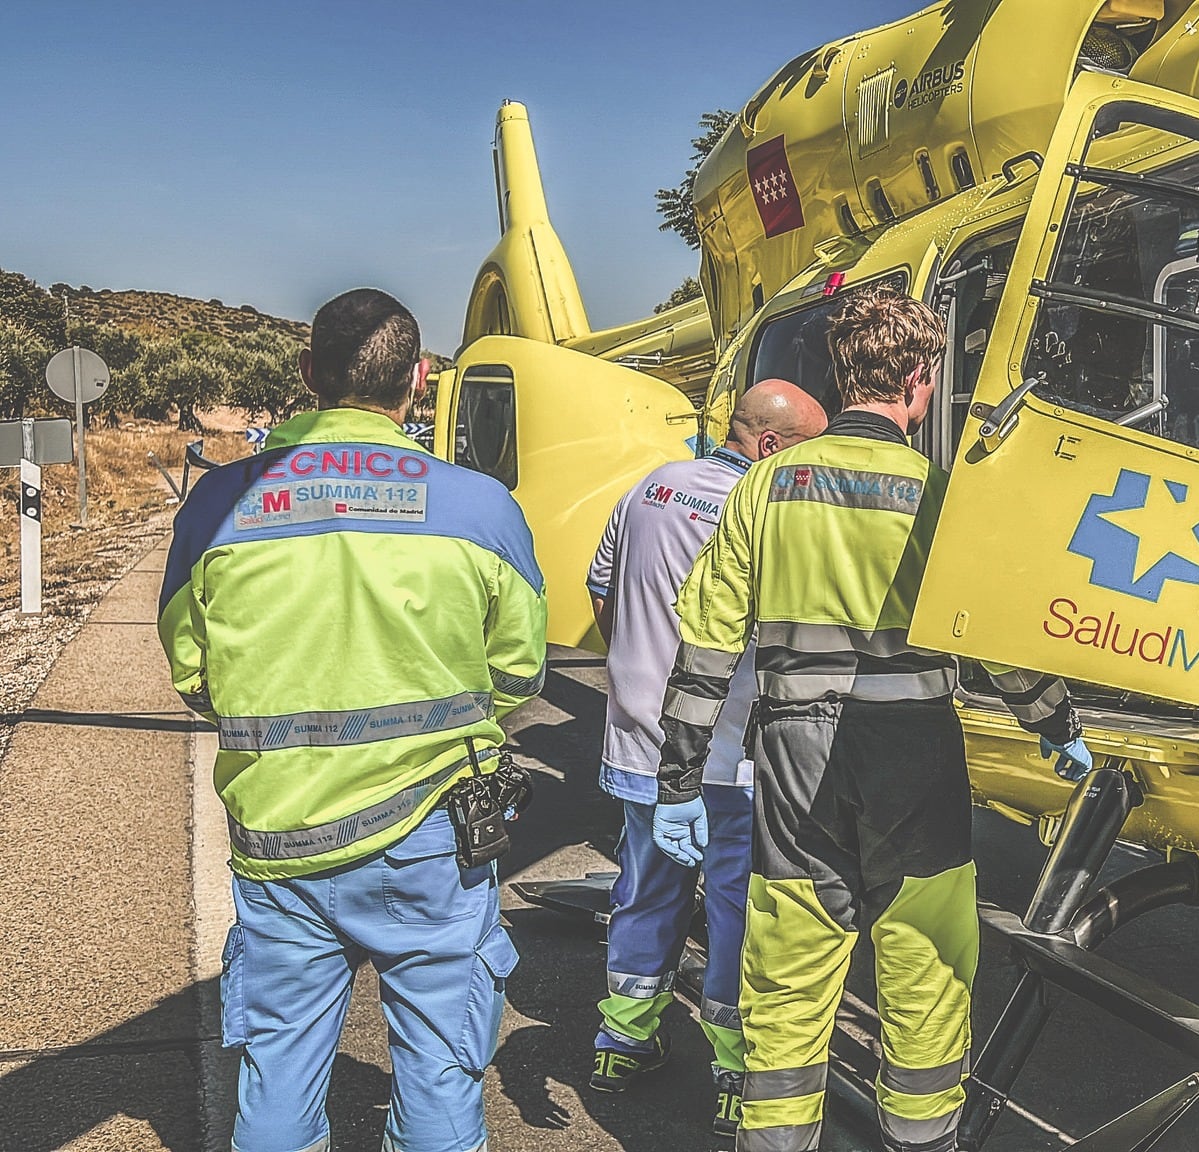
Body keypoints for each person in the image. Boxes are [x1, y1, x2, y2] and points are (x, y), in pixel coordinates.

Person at [656, 287, 1093, 1152]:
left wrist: (678, 779)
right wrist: (1053, 721)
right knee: (925, 966)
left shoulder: (767, 487)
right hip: (915, 755)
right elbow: (997, 645)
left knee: (787, 968)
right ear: (920, 381)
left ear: (842, 371)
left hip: (791, 749)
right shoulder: (941, 496)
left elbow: (705, 643)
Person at [159, 288, 547, 1152]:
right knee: (442, 1071)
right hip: (436, 841)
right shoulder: (481, 507)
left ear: (307, 376)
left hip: (279, 831)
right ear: (418, 378)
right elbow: (519, 675)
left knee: (278, 1073)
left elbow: (194, 674)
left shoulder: (219, 505)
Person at [583, 380, 827, 1122]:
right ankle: (731, 1073)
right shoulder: (767, 510)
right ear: (772, 445)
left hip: (639, 744)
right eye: (809, 453)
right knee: (735, 909)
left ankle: (620, 1042)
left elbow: (601, 593)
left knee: (645, 890)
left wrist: (637, 677)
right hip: (729, 755)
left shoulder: (650, 487)